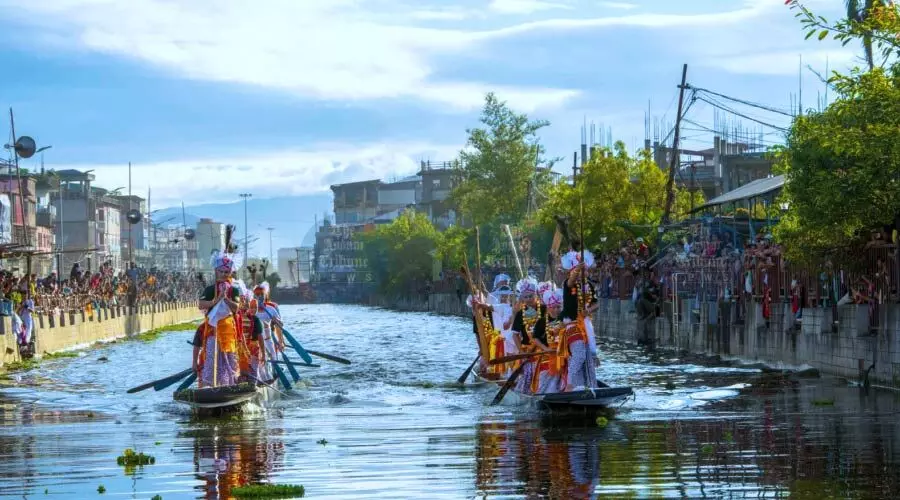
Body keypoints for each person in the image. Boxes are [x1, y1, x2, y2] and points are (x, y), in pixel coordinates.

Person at [195, 248, 244, 388]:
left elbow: (236, 308)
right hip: (212, 330)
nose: (223, 274)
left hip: (228, 330)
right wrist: (215, 301)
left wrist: (226, 299)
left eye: (226, 272)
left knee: (229, 359)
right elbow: (201, 305)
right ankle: (209, 385)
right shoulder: (210, 289)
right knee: (211, 358)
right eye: (221, 271)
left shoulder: (233, 290)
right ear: (216, 271)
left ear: (230, 272)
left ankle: (229, 384)